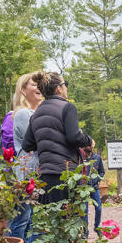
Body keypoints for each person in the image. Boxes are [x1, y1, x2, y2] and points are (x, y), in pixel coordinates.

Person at [22, 71, 94, 206]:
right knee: (68, 219)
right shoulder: (67, 108)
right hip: (65, 173)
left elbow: (27, 145)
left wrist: (46, 141)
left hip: (44, 175)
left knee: (50, 220)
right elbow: (74, 137)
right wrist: (89, 141)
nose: (66, 87)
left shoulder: (36, 114)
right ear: (58, 89)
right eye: (64, 84)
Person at [8, 72, 42, 243]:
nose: (38, 88)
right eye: (33, 84)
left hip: (35, 169)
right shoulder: (22, 113)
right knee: (23, 216)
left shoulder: (36, 112)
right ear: (22, 90)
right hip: (26, 170)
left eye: (40, 85)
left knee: (31, 216)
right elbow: (34, 141)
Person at [80, 147, 105, 232]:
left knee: (99, 208)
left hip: (94, 187)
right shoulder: (81, 158)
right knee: (85, 210)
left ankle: (97, 227)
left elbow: (102, 172)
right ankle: (85, 231)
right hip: (84, 188)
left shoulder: (97, 158)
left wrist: (97, 180)